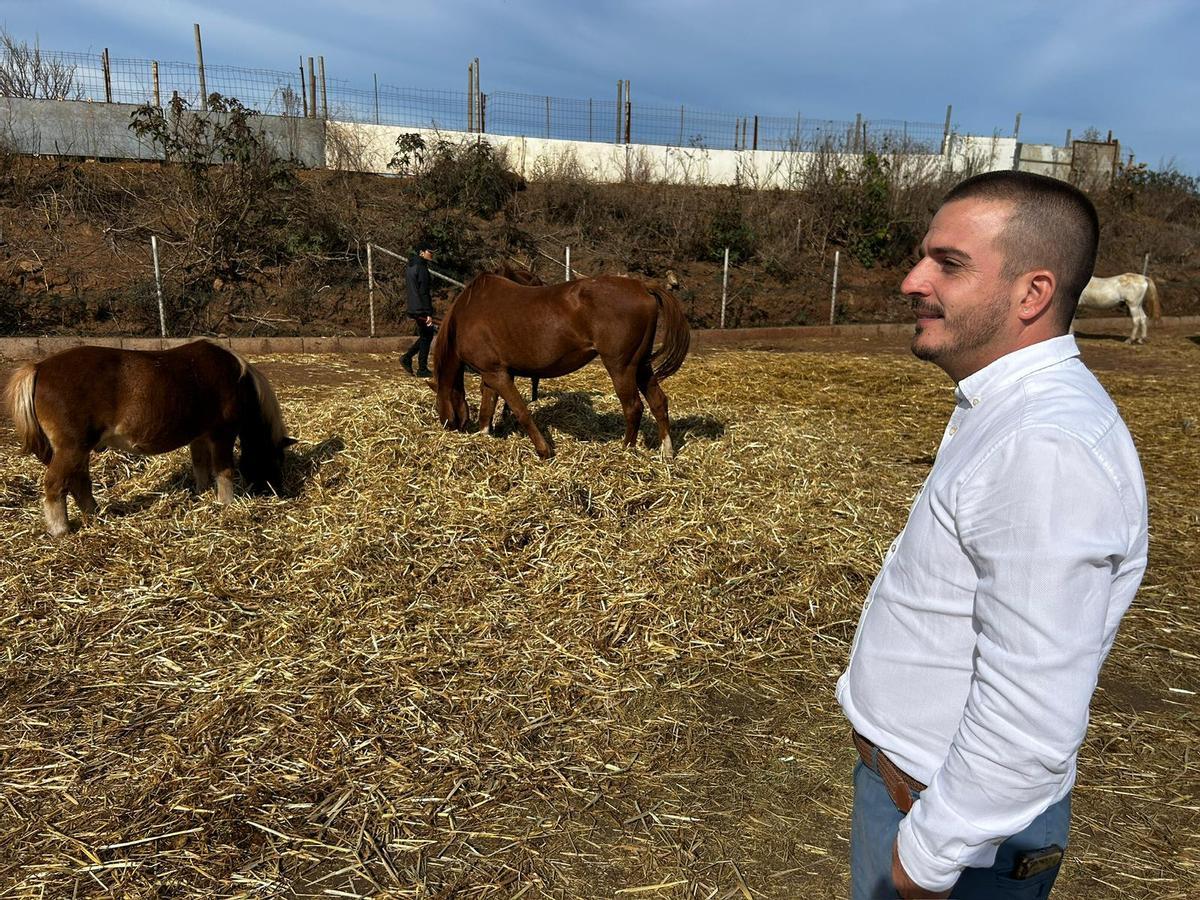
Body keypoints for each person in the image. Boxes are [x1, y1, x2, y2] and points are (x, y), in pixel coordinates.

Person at [837, 170, 1148, 899]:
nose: (913, 280)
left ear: (1031, 293)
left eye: (948, 263)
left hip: (954, 828)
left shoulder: (1044, 447)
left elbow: (1033, 709)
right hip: (922, 796)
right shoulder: (1004, 408)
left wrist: (928, 858)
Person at [400, 242, 437, 377]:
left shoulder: (411, 265)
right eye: (429, 251)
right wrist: (428, 313)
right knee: (427, 335)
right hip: (421, 308)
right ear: (421, 252)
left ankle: (408, 358)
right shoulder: (421, 267)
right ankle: (421, 368)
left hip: (414, 306)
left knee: (425, 335)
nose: (431, 254)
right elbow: (424, 292)